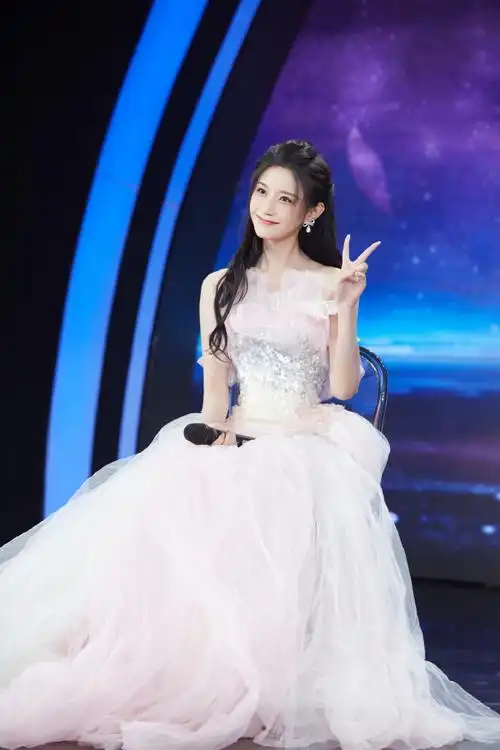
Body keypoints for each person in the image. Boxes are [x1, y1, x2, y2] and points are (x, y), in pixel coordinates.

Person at [0, 140, 499, 750]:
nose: (267, 207)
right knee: (163, 505)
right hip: (239, 433)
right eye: (262, 192)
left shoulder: (330, 282)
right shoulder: (221, 285)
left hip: (302, 443)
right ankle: (188, 670)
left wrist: (346, 307)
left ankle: (264, 682)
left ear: (311, 212)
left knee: (273, 494)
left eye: (285, 199)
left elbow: (344, 387)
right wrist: (212, 441)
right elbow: (216, 395)